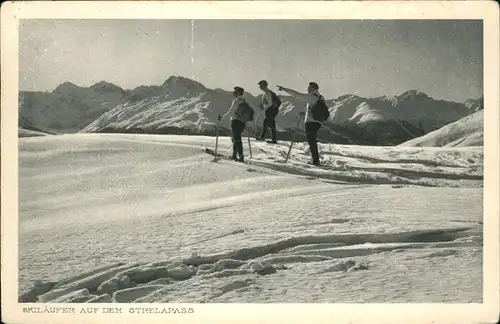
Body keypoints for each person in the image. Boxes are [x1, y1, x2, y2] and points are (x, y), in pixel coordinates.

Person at [276, 82, 325, 166]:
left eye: (309, 88)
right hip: (318, 122)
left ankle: (316, 161)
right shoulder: (320, 97)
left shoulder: (311, 97)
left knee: (311, 141)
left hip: (311, 122)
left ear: (313, 89)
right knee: (312, 140)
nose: (307, 89)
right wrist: (306, 113)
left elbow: (297, 95)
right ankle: (315, 160)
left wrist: (284, 89)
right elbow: (314, 109)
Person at [218, 86, 252, 162]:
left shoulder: (236, 101)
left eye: (235, 91)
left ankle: (240, 156)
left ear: (239, 92)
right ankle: (235, 155)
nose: (233, 92)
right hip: (242, 123)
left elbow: (231, 113)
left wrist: (222, 118)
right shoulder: (244, 101)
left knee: (236, 139)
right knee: (236, 138)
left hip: (235, 122)